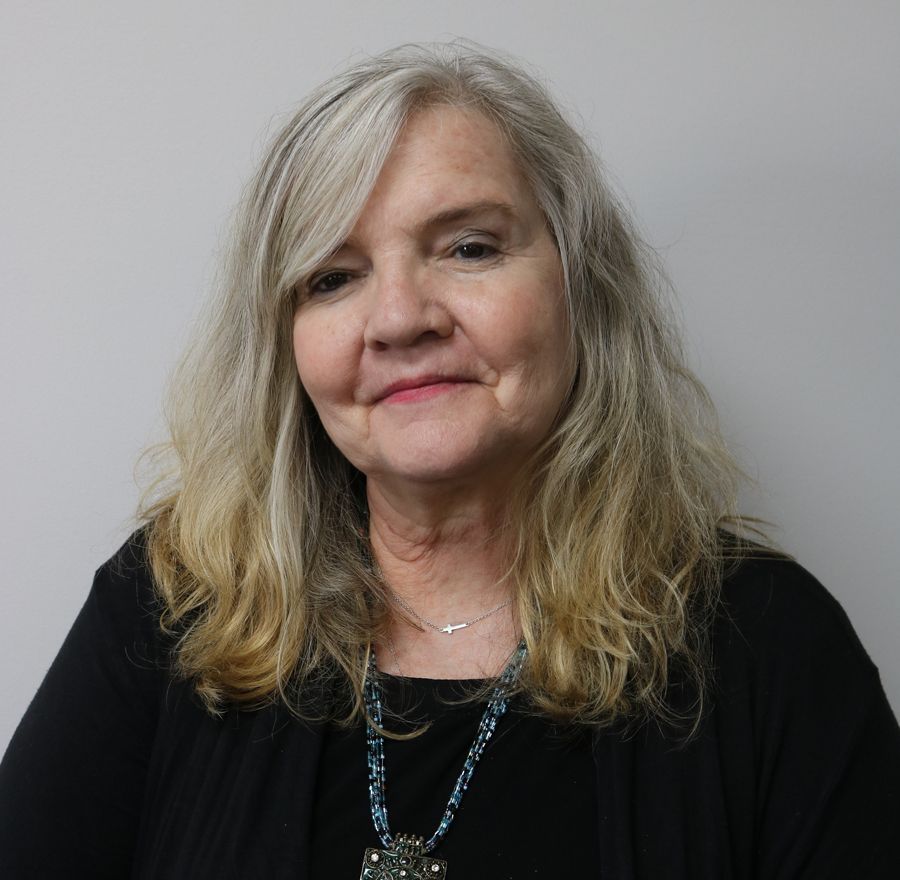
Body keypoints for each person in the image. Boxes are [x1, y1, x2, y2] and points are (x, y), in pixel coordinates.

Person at [1, 42, 899, 879]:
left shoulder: (773, 648)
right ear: (286, 344)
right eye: (332, 277)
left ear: (581, 287)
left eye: (469, 248)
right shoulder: (168, 610)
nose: (399, 319)